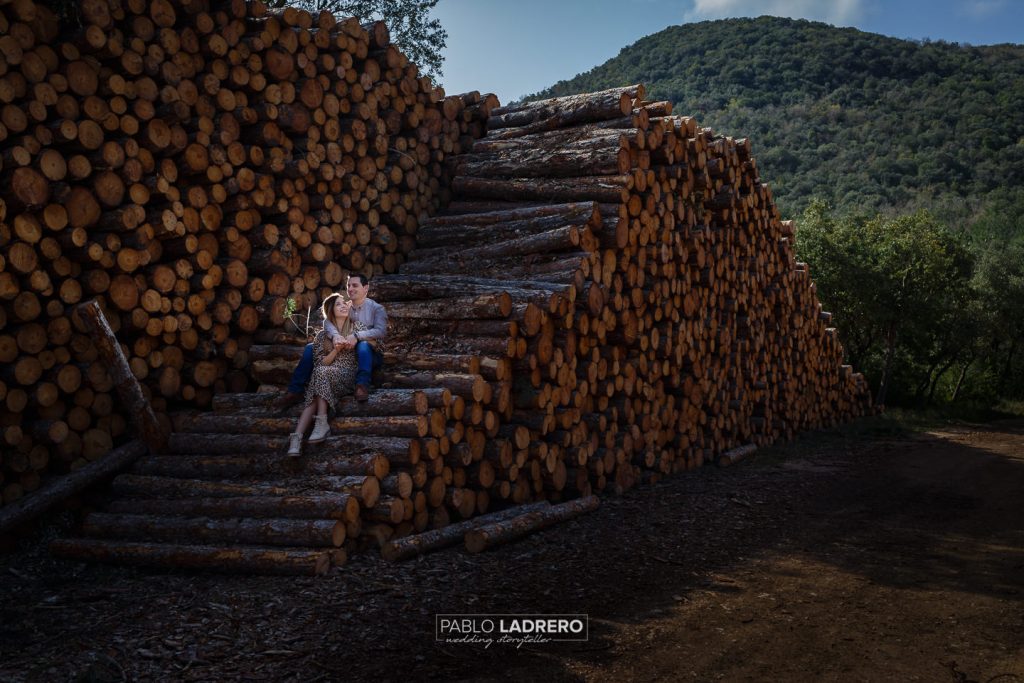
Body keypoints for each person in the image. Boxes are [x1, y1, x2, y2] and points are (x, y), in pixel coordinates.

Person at [275, 273, 388, 408]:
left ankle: (362, 385)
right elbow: (328, 321)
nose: (350, 289)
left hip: (370, 352)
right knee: (311, 348)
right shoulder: (347, 307)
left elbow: (381, 331)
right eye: (348, 285)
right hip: (347, 352)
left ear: (366, 288)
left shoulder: (377, 309)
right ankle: (295, 390)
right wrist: (335, 336)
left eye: (355, 285)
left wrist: (357, 336)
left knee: (363, 345)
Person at [287, 293, 364, 457]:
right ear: (330, 311)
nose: (344, 305)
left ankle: (319, 424)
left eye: (345, 303)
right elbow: (322, 363)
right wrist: (336, 350)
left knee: (318, 379)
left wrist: (352, 340)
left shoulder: (356, 327)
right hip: (327, 374)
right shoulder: (322, 336)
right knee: (317, 383)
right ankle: (298, 438)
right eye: (338, 304)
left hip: (347, 375)